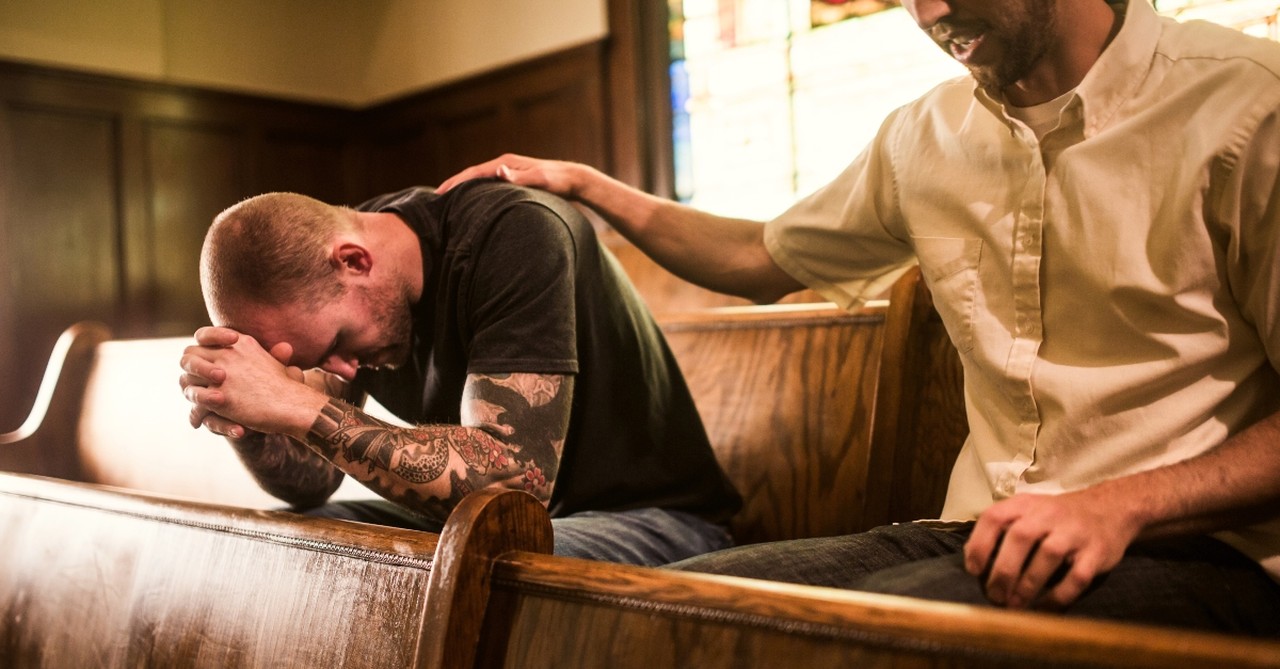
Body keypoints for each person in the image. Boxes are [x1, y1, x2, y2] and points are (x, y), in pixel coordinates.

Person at [435, 0, 1280, 635]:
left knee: (858, 641)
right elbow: (760, 257)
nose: (929, 13)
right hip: (972, 531)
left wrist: (1117, 505)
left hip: (1204, 553)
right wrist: (589, 187)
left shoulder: (1245, 104)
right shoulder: (926, 137)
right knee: (676, 609)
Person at [178, 180, 742, 566]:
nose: (341, 371)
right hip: (519, 524)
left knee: (480, 557)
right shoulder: (345, 275)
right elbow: (309, 484)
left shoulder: (517, 234)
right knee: (289, 536)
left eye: (339, 344)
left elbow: (515, 483)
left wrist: (295, 405)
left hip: (662, 520)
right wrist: (245, 416)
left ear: (355, 261)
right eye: (312, 365)